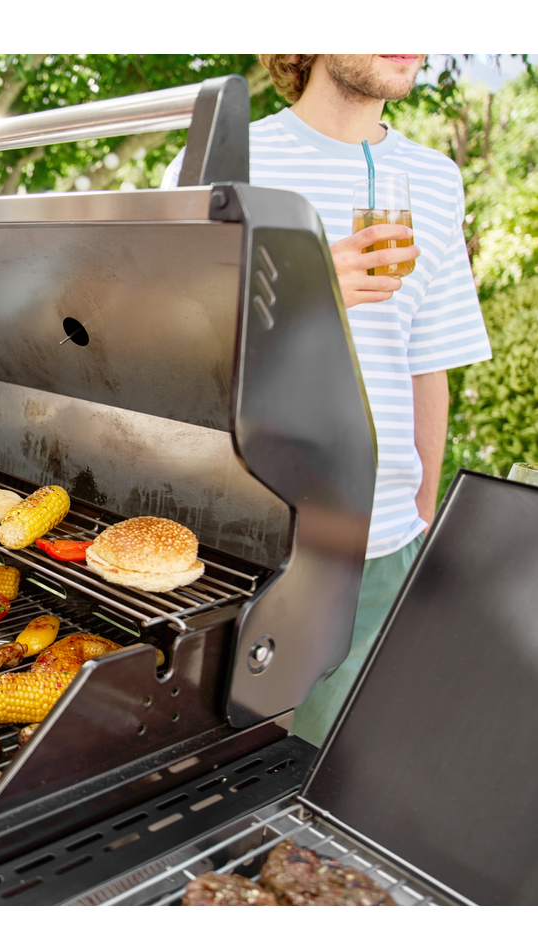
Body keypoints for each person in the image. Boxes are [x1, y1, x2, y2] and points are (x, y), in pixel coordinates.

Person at [164, 54, 492, 744]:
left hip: (384, 558)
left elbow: (426, 368)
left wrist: (420, 522)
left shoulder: (435, 179)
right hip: (237, 552)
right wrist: (303, 293)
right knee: (220, 789)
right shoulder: (227, 163)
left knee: (337, 801)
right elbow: (162, 355)